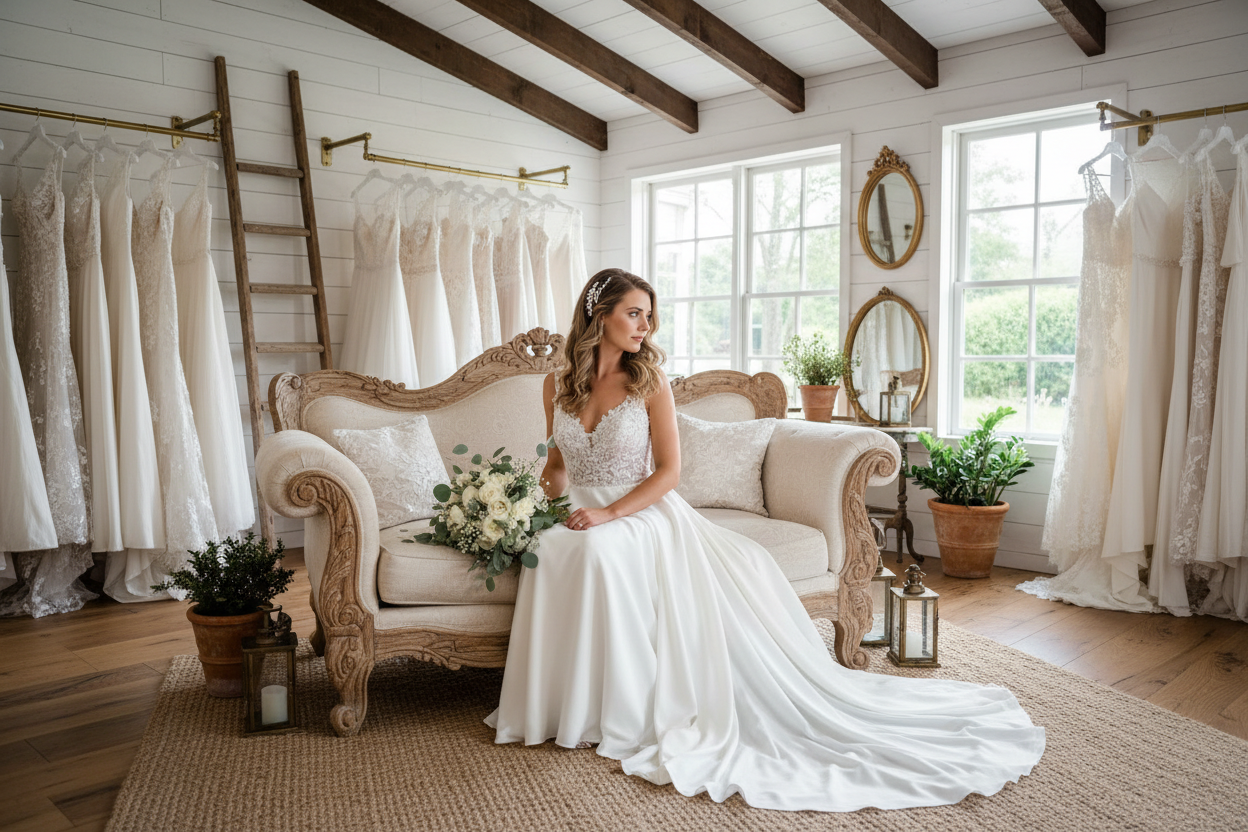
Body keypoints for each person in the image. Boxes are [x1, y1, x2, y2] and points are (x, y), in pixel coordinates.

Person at [484, 269, 1045, 812]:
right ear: (598, 314)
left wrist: (608, 513)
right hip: (579, 509)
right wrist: (534, 506)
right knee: (552, 547)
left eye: (649, 316)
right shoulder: (556, 384)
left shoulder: (647, 383)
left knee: (594, 550)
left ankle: (617, 714)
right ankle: (559, 707)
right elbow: (556, 462)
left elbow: (669, 473)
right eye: (634, 314)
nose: (644, 327)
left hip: (640, 509)